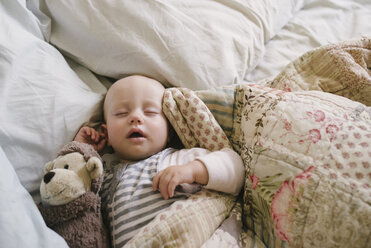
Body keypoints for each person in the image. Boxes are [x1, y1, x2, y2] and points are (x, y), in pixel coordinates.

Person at [74, 75, 245, 246]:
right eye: (122, 113)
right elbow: (77, 203)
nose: (135, 118)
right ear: (106, 132)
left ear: (169, 130)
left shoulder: (176, 160)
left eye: (150, 112)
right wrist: (81, 150)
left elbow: (235, 168)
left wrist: (193, 171)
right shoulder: (102, 177)